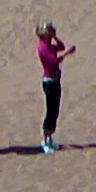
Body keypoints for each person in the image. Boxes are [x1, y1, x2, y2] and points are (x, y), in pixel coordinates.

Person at [35, 21, 73, 149]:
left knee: (55, 111)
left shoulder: (49, 45)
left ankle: (50, 138)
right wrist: (66, 54)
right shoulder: (43, 47)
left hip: (55, 80)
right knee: (50, 111)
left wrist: (56, 38)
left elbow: (61, 46)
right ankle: (45, 140)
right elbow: (53, 61)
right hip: (49, 81)